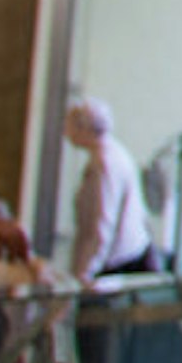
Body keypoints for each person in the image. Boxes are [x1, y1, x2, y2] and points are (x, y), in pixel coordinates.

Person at [61, 100, 152, 283]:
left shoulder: (104, 164)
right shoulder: (113, 153)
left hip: (120, 262)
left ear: (83, 127)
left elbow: (101, 223)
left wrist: (83, 273)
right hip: (122, 257)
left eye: (68, 125)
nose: (65, 131)